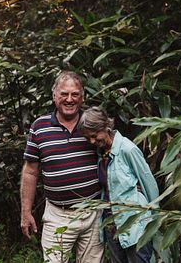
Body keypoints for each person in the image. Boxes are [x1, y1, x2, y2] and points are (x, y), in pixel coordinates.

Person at [20, 71, 104, 263]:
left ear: (82, 97)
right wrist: (26, 212)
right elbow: (31, 171)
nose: (69, 99)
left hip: (92, 212)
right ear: (54, 96)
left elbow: (113, 160)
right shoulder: (40, 127)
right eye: (64, 94)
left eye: (75, 94)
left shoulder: (91, 124)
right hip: (58, 214)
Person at [77, 106, 159, 263]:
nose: (92, 141)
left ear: (105, 127)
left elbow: (149, 184)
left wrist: (154, 222)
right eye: (88, 138)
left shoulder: (127, 149)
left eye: (94, 136)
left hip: (135, 224)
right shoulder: (101, 153)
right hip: (111, 224)